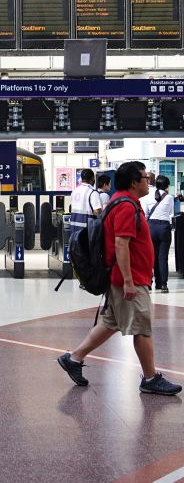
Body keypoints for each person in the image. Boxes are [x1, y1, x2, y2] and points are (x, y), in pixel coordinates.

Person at [57, 161, 181, 395]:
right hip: (130, 278)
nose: (149, 181)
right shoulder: (125, 206)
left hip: (128, 276)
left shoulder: (122, 201)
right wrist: (128, 281)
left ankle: (73, 359)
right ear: (134, 182)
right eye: (145, 177)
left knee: (109, 323)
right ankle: (150, 378)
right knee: (142, 328)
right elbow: (121, 244)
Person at [145, 174, 174, 293]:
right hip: (164, 228)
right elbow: (171, 213)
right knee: (162, 257)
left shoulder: (148, 197)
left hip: (151, 227)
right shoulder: (169, 197)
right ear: (166, 186)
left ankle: (149, 283)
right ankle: (163, 284)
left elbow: (146, 214)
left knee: (151, 257)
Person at [69, 168, 102, 235]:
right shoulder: (92, 192)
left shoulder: (75, 191)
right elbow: (97, 212)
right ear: (93, 179)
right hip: (87, 230)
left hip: (74, 229)